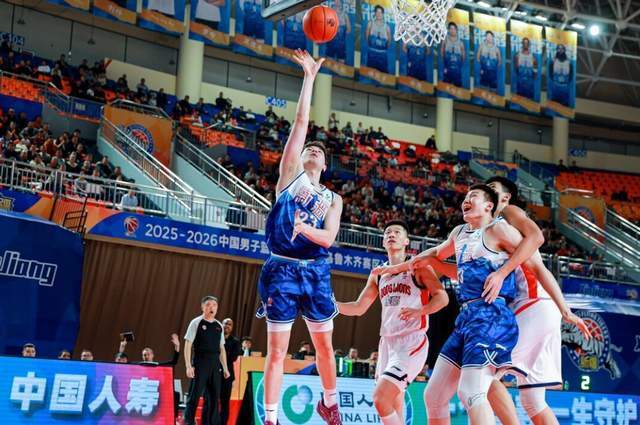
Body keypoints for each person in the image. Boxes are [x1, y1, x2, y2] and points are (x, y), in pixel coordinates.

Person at [375, 185, 523, 425]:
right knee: (433, 396)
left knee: (471, 392)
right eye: (465, 197)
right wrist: (396, 268)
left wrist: (502, 273)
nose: (466, 200)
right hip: (466, 317)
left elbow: (533, 245)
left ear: (489, 206)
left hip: (491, 314)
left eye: (473, 196)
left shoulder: (498, 228)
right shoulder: (459, 232)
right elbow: (433, 256)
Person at [256, 50, 343, 425]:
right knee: (277, 351)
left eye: (319, 151)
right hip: (282, 269)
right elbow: (301, 121)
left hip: (316, 270)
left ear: (324, 165)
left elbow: (328, 238)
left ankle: (330, 403)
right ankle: (271, 417)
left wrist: (306, 229)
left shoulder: (333, 198)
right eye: (310, 147)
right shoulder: (289, 177)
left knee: (325, 345)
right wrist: (309, 77)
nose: (313, 150)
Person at [481, 177, 591, 425]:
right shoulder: (486, 230)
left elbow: (537, 239)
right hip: (537, 307)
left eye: (492, 189)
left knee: (481, 372)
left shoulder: (508, 212)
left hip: (533, 304)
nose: (486, 192)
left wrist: (565, 310)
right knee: (533, 401)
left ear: (505, 198)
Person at [338, 220, 448, 425]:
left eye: (397, 232)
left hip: (411, 342)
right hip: (387, 345)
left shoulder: (418, 267)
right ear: (382, 242)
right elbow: (359, 307)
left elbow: (442, 298)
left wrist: (421, 311)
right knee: (394, 403)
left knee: (380, 399)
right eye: (388, 232)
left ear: (406, 241)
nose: (391, 234)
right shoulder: (378, 274)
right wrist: (331, 305)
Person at [183, 296, 230, 425]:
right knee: (194, 395)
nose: (211, 307)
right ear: (203, 307)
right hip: (200, 362)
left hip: (215, 364)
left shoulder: (219, 326)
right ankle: (188, 422)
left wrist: (225, 368)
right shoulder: (196, 322)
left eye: (214, 305)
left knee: (214, 397)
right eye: (208, 305)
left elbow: (222, 349)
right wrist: (188, 366)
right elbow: (188, 345)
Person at [221, 318, 242, 425]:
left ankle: (223, 423)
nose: (227, 326)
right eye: (225, 323)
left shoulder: (235, 341)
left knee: (225, 402)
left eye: (229, 324)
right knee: (211, 400)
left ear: (232, 327)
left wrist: (222, 353)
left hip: (228, 375)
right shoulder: (216, 337)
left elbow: (233, 358)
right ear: (221, 325)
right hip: (214, 373)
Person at [365, 6, 391, 73]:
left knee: (383, 74)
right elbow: (367, 37)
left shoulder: (387, 27)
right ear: (375, 13)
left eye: (380, 12)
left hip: (382, 55)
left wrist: (382, 48)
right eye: (377, 12)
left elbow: (389, 42)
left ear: (383, 14)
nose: (379, 14)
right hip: (372, 54)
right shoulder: (370, 24)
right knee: (370, 73)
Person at [440, 22, 465, 87]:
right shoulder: (445, 39)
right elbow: (442, 49)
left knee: (457, 85)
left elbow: (463, 53)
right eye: (450, 29)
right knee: (446, 84)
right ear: (448, 30)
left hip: (457, 67)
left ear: (456, 30)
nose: (452, 30)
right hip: (447, 66)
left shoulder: (461, 42)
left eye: (454, 29)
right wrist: (444, 59)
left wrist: (461, 62)